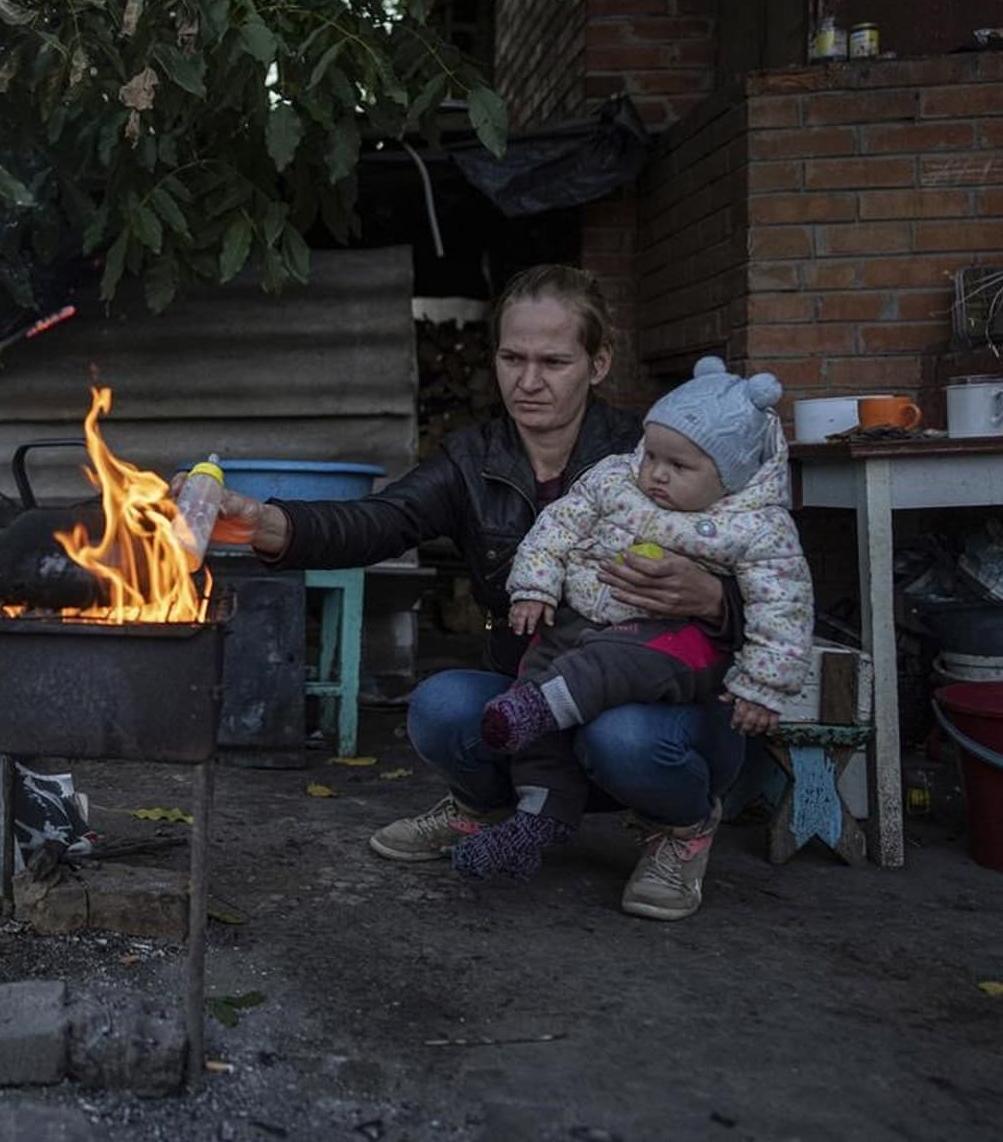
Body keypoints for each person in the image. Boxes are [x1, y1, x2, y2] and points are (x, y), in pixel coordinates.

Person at [205, 265, 746, 920]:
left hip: (657, 712)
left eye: (553, 361)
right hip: (540, 709)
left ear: (598, 364)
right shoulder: (473, 460)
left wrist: (713, 597)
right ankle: (484, 809)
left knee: (621, 735)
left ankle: (683, 828)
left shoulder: (657, 454)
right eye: (512, 357)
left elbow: (774, 588)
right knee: (441, 705)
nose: (528, 381)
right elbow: (383, 521)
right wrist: (267, 523)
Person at [452, 356, 812, 882]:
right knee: (533, 690)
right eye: (652, 456)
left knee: (583, 680)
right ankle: (536, 819)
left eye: (680, 466)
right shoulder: (617, 478)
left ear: (732, 476)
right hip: (580, 624)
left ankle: (683, 829)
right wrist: (534, 586)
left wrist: (762, 686)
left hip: (672, 644)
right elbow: (557, 525)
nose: (657, 474)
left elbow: (784, 606)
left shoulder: (756, 527)